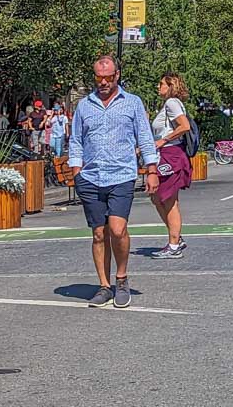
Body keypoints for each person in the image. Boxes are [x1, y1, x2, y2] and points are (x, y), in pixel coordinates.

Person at [67, 55, 159, 308]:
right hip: (91, 177)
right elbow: (76, 139)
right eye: (99, 77)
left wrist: (151, 169)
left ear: (117, 75)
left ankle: (121, 278)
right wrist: (77, 171)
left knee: (117, 230)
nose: (104, 82)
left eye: (108, 77)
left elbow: (145, 137)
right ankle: (104, 286)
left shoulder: (132, 103)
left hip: (121, 175)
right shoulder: (85, 105)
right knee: (99, 234)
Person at [150, 72, 193, 259]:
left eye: (161, 84)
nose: (158, 87)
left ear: (170, 86)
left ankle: (174, 245)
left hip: (171, 155)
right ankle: (175, 236)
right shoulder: (168, 105)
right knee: (156, 196)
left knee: (168, 199)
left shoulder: (172, 103)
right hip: (165, 154)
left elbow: (184, 126)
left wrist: (163, 141)